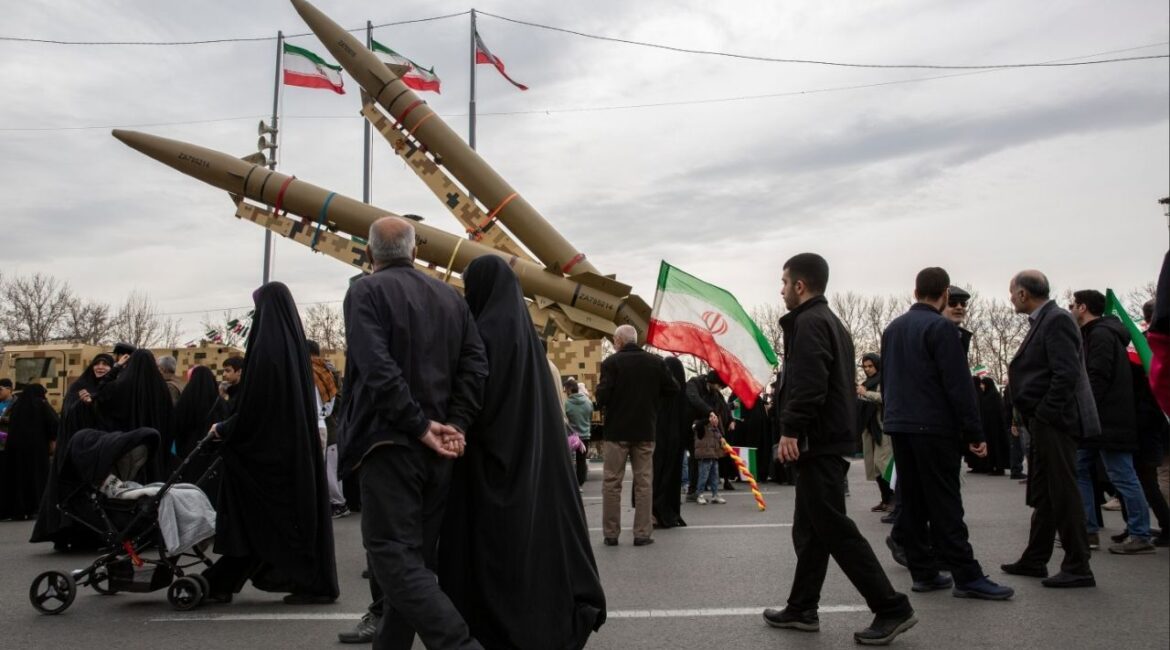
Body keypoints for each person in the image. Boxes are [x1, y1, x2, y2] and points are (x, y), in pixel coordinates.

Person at [438, 255, 605, 649]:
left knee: (498, 552)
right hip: (534, 463)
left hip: (491, 464)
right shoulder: (528, 341)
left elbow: (477, 400)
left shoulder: (481, 335)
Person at [336, 216, 487, 649]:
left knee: (391, 556)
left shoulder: (363, 291)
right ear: (414, 251)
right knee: (414, 559)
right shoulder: (450, 298)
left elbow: (375, 366)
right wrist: (454, 423)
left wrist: (419, 425)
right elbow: (476, 365)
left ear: (368, 254)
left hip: (389, 444)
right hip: (437, 449)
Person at [764, 253, 916, 645]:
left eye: (784, 283)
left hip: (818, 441)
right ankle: (802, 607)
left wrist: (791, 430)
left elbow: (809, 383)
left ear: (800, 285)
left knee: (833, 528)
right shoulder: (827, 321)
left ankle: (891, 606)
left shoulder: (811, 322)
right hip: (826, 439)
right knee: (812, 529)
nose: (781, 290)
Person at [202, 282, 339, 605]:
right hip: (291, 453)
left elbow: (258, 405)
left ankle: (225, 579)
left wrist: (225, 427)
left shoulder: (266, 351)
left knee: (256, 517)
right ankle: (300, 579)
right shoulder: (292, 350)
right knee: (279, 521)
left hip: (268, 457)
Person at [881, 267, 1014, 600]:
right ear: (942, 294)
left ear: (915, 292)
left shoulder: (893, 329)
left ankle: (923, 572)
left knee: (912, 501)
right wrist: (974, 431)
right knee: (945, 502)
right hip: (934, 427)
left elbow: (889, 379)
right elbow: (958, 385)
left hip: (900, 424)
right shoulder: (942, 329)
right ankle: (967, 575)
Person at [1002, 270, 1100, 588]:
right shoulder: (1047, 320)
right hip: (1044, 422)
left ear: (1022, 294)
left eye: (1011, 291)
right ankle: (1035, 558)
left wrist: (1044, 414)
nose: (1010, 297)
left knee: (1063, 491)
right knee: (1044, 492)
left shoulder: (1056, 320)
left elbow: (1066, 373)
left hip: (1054, 422)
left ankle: (1078, 565)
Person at [1069, 289, 1154, 554]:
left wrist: (1083, 409)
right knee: (1081, 467)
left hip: (1107, 419)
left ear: (1083, 308)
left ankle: (1141, 534)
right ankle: (1089, 530)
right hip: (1102, 419)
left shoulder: (1102, 334)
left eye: (1072, 304)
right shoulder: (1097, 333)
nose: (1070, 308)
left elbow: (1097, 376)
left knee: (1123, 475)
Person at [595, 324, 679, 547]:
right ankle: (642, 533)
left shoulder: (611, 363)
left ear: (620, 341)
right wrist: (653, 401)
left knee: (612, 482)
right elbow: (673, 388)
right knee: (644, 483)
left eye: (614, 340)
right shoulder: (655, 362)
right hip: (645, 430)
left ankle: (611, 534)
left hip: (616, 432)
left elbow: (601, 398)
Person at [29, 353, 114, 549]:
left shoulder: (109, 388)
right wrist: (84, 406)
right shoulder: (79, 387)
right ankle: (66, 535)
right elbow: (68, 415)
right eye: (97, 363)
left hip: (98, 451)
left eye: (105, 364)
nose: (100, 367)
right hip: (75, 451)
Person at [0, 384, 58, 521]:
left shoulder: (17, 407)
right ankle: (35, 508)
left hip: (15, 450)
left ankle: (17, 510)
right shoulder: (42, 405)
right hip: (37, 451)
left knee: (17, 479)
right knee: (36, 478)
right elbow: (55, 423)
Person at [306, 339, 346, 519]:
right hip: (325, 423)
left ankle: (334, 504)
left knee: (322, 470)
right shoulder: (326, 372)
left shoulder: (309, 373)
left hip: (319, 425)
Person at [652, 357, 689, 528]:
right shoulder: (682, 393)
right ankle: (670, 511)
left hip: (658, 440)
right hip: (676, 441)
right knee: (672, 477)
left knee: (656, 476)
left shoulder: (659, 391)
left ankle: (655, 512)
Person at [684, 371, 730, 501]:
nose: (720, 389)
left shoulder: (715, 394)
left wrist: (722, 434)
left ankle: (698, 491)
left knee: (705, 462)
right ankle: (693, 490)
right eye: (719, 386)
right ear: (712, 382)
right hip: (688, 426)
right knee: (693, 460)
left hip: (705, 431)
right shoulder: (694, 383)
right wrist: (709, 412)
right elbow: (694, 399)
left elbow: (720, 410)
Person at [856, 353, 894, 512]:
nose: (868, 369)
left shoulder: (884, 379)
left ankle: (894, 500)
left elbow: (886, 398)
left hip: (882, 427)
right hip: (869, 428)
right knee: (874, 467)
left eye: (870, 366)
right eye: (865, 367)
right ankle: (885, 500)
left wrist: (866, 394)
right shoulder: (865, 383)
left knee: (883, 465)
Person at [976, 377, 1012, 475]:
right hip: (987, 427)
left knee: (997, 447)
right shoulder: (985, 396)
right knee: (991, 447)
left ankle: (999, 467)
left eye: (983, 384)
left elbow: (999, 412)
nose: (981, 386)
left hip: (996, 428)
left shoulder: (994, 396)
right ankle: (991, 466)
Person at [692, 413, 726, 505]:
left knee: (715, 476)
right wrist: (708, 420)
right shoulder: (699, 423)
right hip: (704, 454)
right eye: (713, 417)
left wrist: (721, 438)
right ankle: (700, 495)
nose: (715, 419)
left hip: (714, 454)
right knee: (703, 476)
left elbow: (718, 435)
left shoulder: (714, 426)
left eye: (716, 417)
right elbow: (695, 427)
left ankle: (715, 495)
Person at [565, 378, 593, 487]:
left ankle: (570, 483)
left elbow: (565, 419)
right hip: (585, 436)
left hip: (572, 437)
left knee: (569, 460)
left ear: (570, 389)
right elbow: (590, 417)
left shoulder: (567, 403)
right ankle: (579, 484)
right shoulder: (588, 402)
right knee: (581, 461)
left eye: (566, 389)